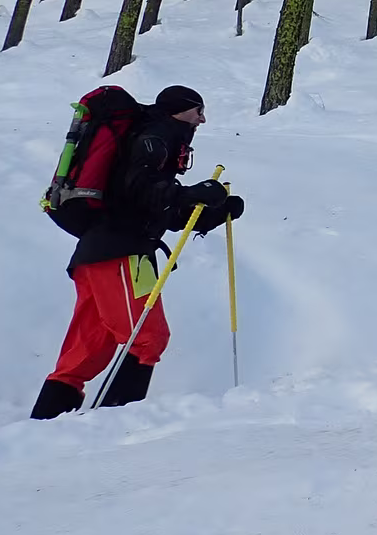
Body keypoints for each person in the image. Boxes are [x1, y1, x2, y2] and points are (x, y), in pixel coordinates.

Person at [30, 85, 243, 417]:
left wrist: (212, 213)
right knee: (147, 338)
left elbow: (155, 208)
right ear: (179, 110)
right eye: (198, 111)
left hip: (98, 255)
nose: (202, 119)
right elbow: (139, 189)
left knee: (86, 351)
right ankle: (116, 421)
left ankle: (45, 424)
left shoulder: (157, 137)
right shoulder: (157, 136)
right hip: (120, 254)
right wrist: (191, 193)